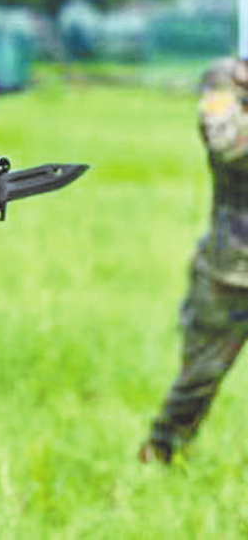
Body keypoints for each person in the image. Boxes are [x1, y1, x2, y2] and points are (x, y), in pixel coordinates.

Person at [139, 57, 248, 464]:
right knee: (199, 378)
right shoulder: (227, 80)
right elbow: (225, 145)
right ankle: (162, 450)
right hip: (232, 274)